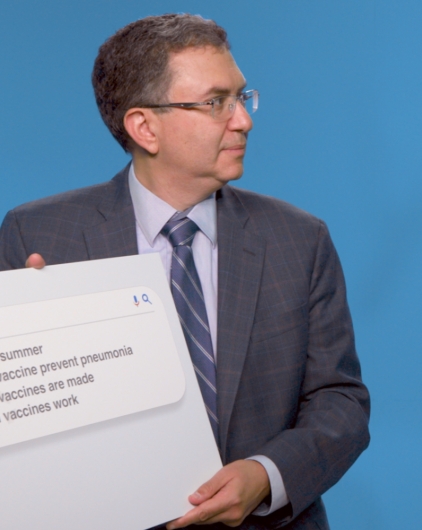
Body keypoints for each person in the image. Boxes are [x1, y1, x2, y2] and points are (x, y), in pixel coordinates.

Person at [0, 14, 369, 530]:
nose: (243, 120)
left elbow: (341, 403)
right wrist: (22, 345)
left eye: (243, 97)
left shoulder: (300, 240)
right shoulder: (36, 235)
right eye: (216, 102)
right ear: (144, 127)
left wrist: (265, 476)